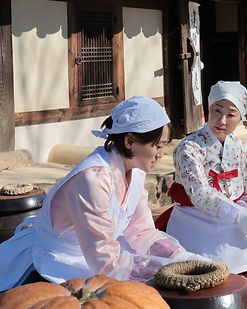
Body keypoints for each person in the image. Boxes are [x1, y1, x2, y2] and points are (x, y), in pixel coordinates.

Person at [0, 96, 201, 290]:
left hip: (96, 258)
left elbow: (141, 231)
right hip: (54, 260)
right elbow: (105, 260)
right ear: (130, 141)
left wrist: (180, 257)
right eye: (157, 145)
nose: (160, 153)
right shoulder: (93, 178)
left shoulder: (136, 172)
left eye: (163, 146)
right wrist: (165, 269)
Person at [159, 81, 247, 274]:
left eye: (231, 114)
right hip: (199, 214)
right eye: (217, 110)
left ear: (240, 118)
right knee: (226, 242)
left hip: (238, 206)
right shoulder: (188, 148)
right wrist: (238, 216)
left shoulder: (239, 147)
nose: (222, 120)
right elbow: (201, 193)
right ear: (207, 109)